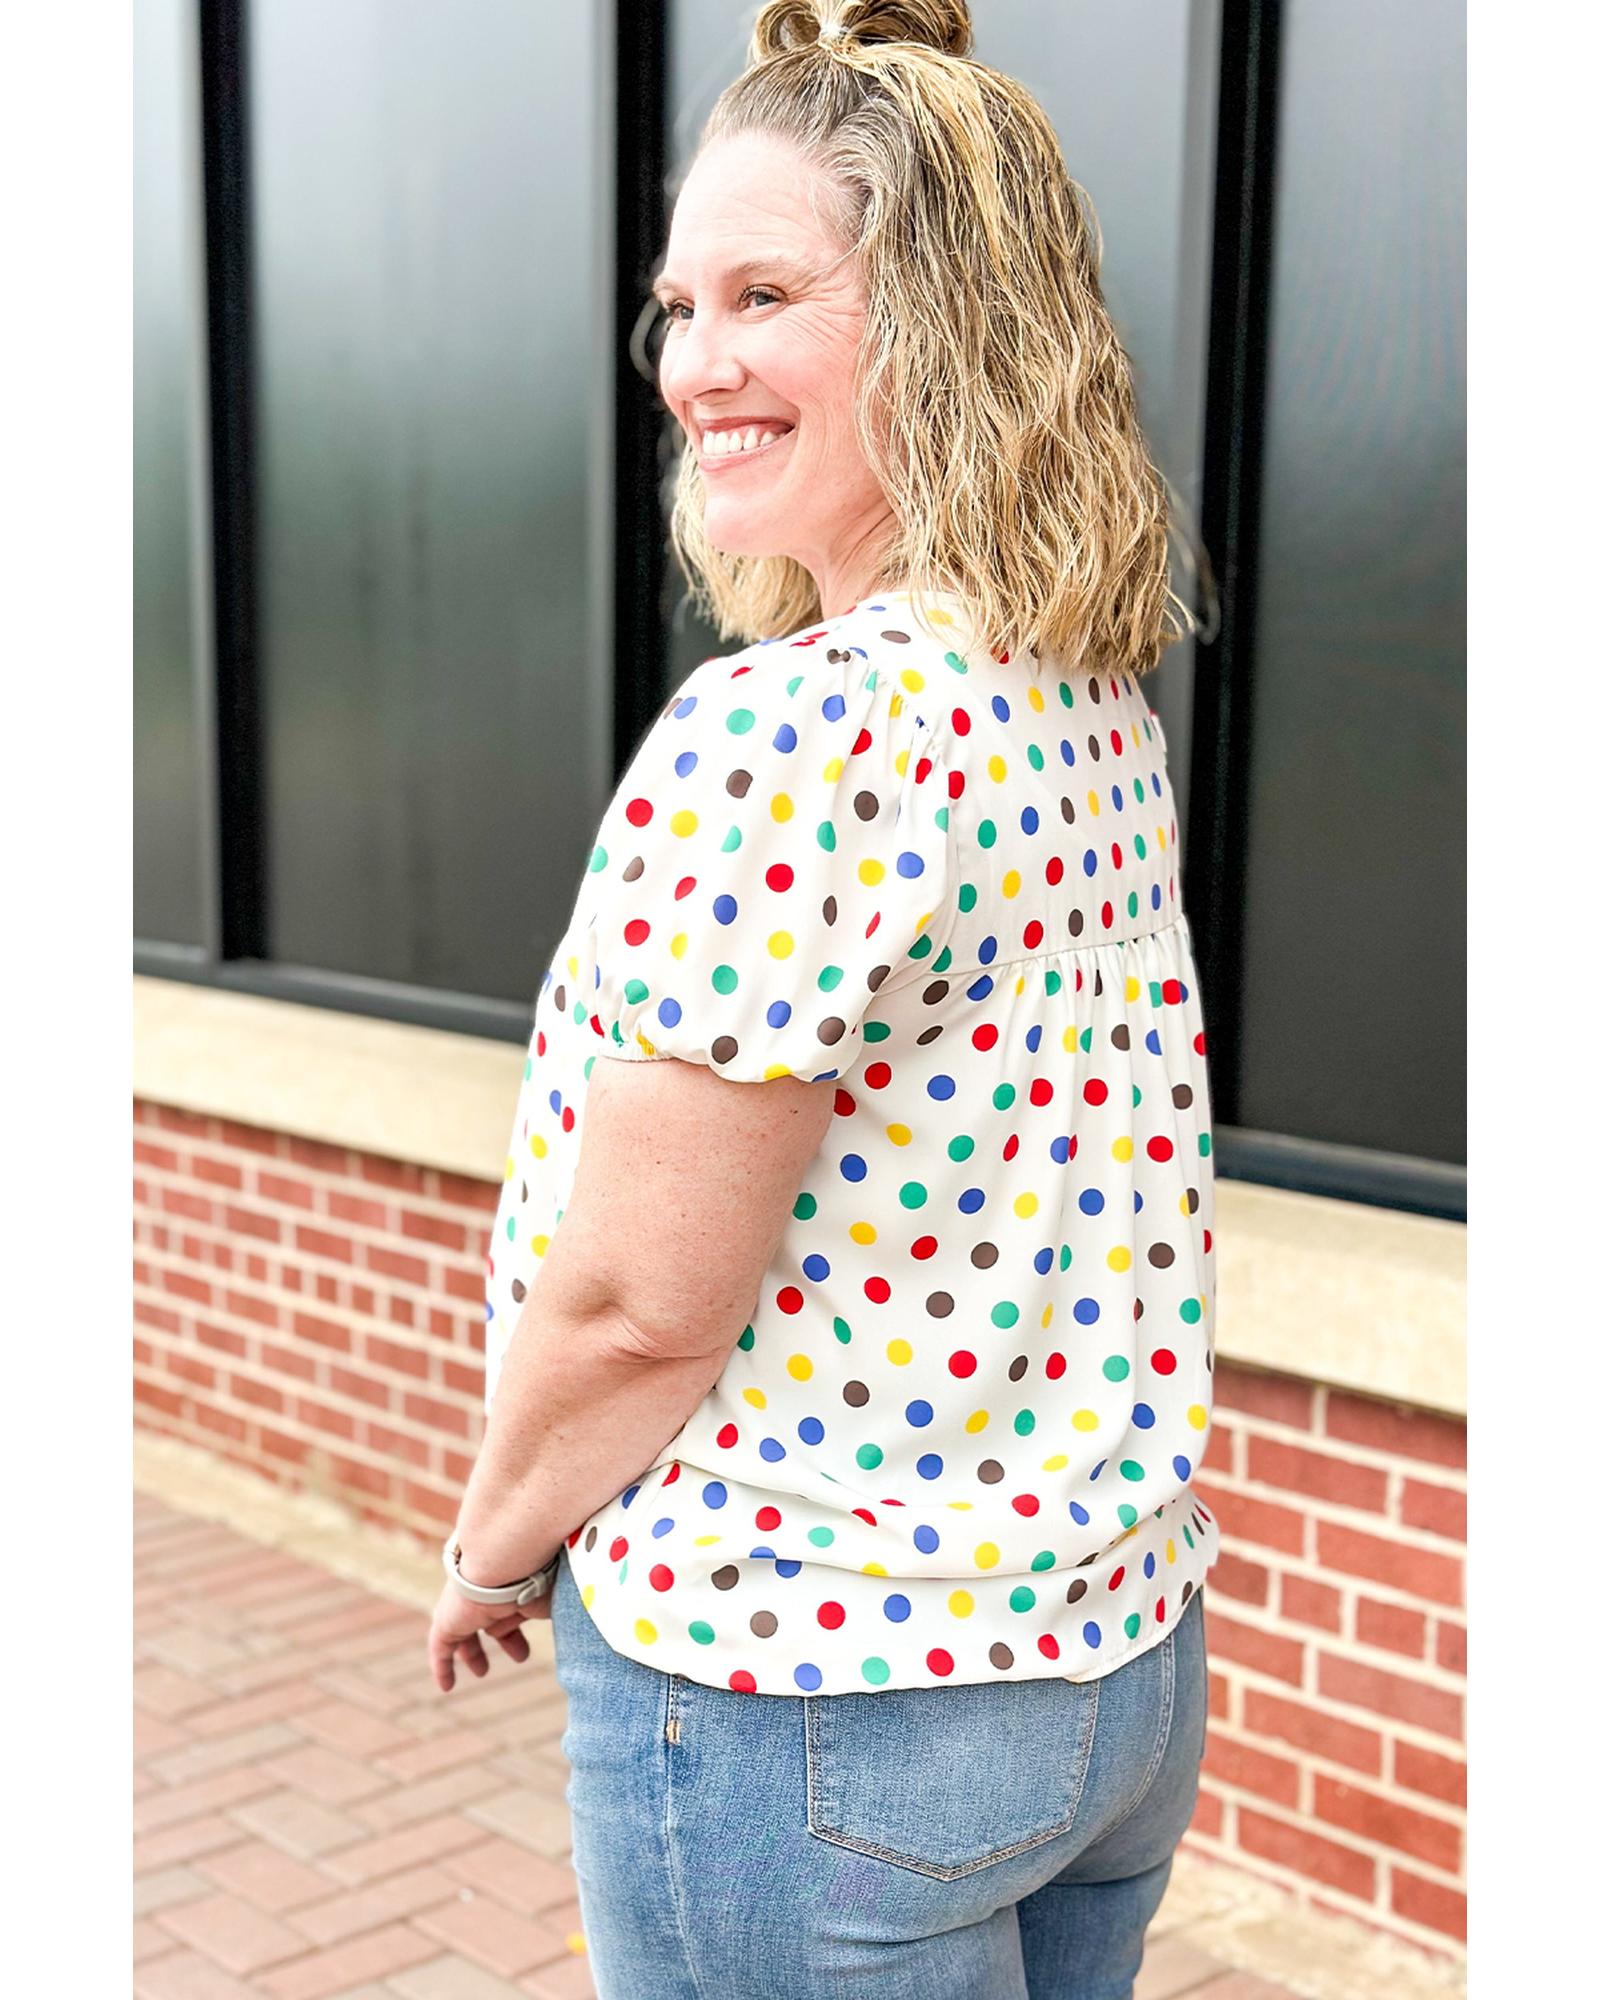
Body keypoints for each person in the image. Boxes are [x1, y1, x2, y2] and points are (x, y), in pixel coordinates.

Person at [429, 3, 1219, 1993]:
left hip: (808, 1692)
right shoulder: (1083, 703)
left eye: (764, 295)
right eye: (679, 306)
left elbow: (638, 1300)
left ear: (947, 327)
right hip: (1106, 1673)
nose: (694, 362)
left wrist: (496, 1540)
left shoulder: (792, 732)